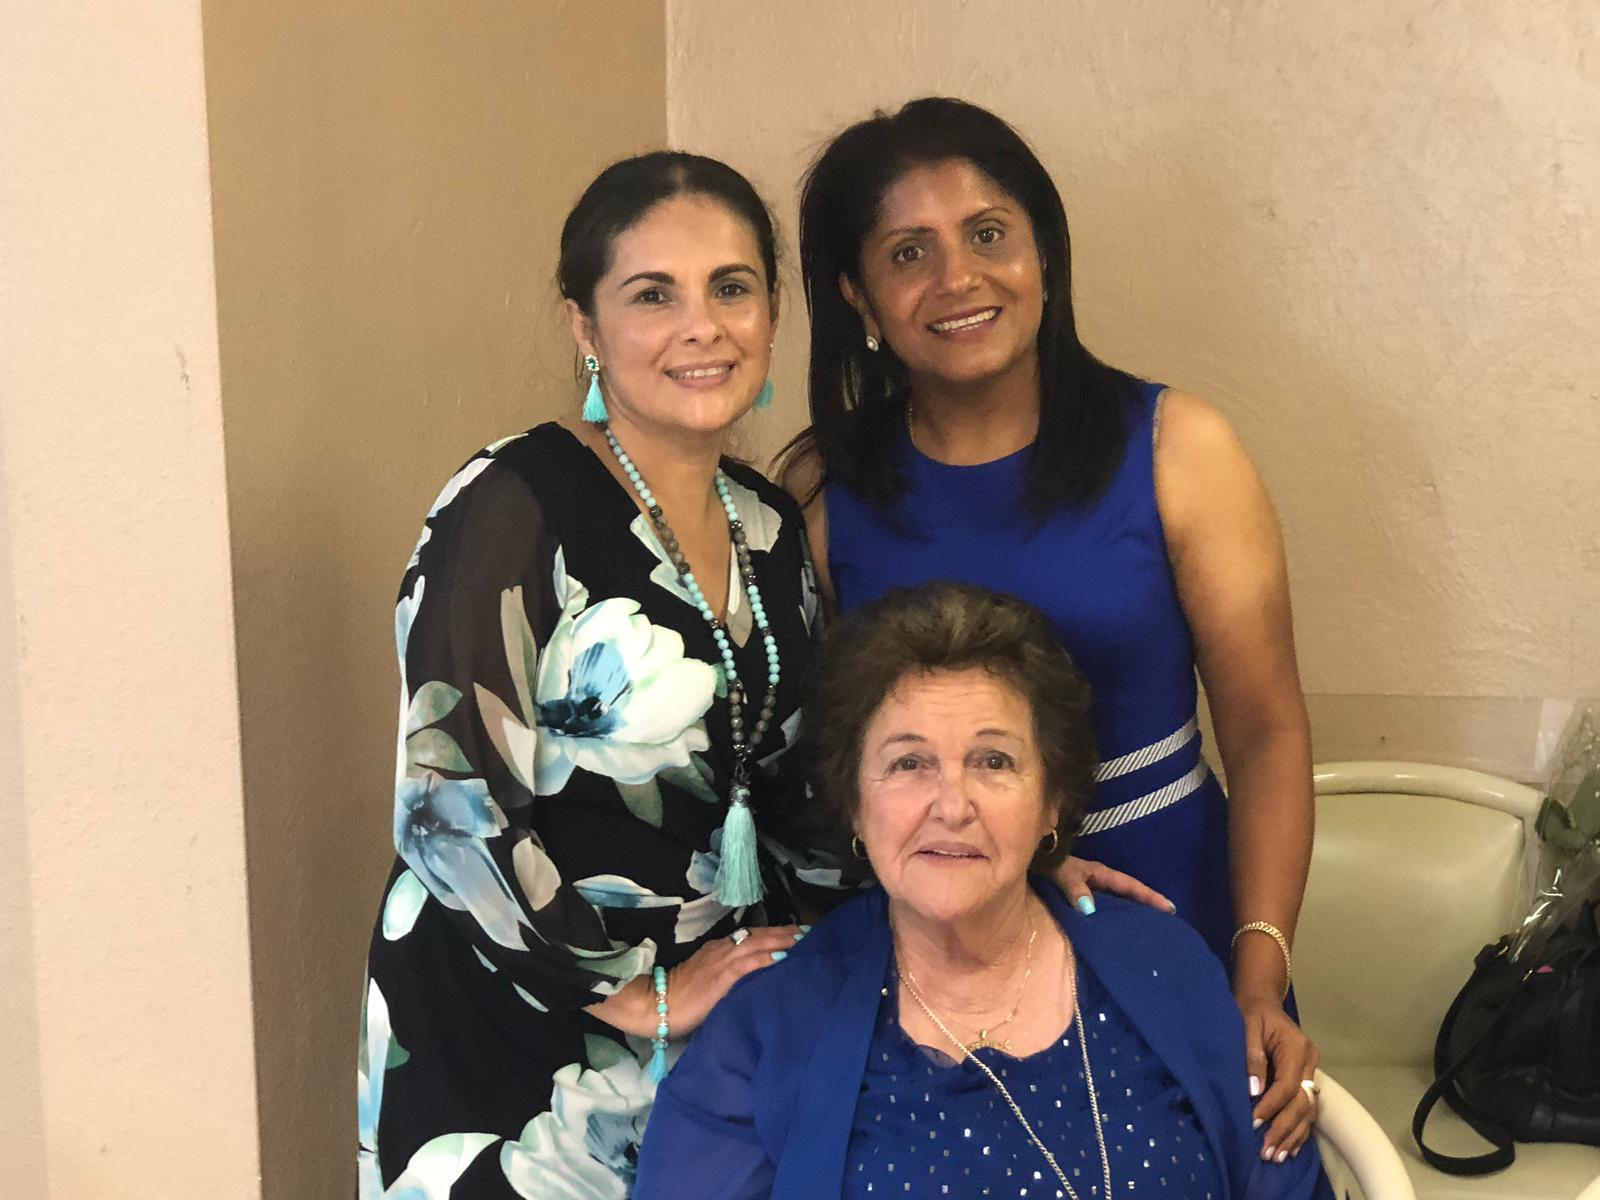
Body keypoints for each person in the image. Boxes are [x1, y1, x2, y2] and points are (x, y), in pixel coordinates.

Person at [778, 96, 1319, 1153]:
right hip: (939, 937)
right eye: (907, 252)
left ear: (1043, 254)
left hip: (1175, 904)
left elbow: (1265, 731)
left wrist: (1256, 971)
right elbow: (823, 763)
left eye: (988, 234)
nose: (958, 278)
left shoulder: (1178, 446)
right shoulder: (819, 491)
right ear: (857, 295)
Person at [358, 152, 843, 1198]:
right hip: (517, 1026)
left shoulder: (768, 526)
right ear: (586, 329)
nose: (700, 324)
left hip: (711, 1032)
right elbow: (448, 803)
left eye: (731, 286)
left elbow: (804, 793)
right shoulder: (513, 501)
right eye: (651, 294)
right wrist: (627, 993)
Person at [634, 583, 1333, 1199]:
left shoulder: (1166, 965)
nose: (952, 804)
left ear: (1052, 804)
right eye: (909, 762)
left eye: (993, 761)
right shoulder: (765, 1029)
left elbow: (1281, 1179)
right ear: (853, 804)